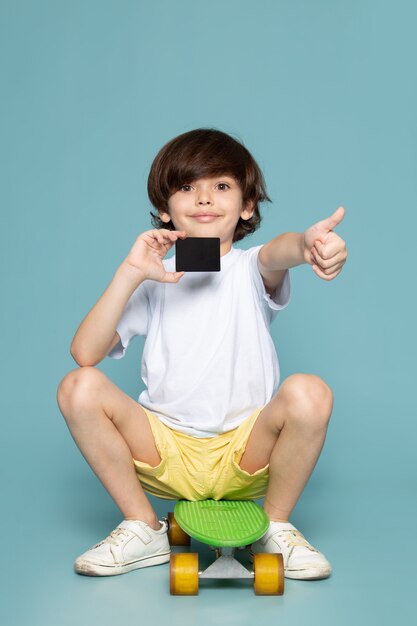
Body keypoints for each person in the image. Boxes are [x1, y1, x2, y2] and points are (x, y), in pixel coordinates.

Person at [57, 128, 347, 580]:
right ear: (163, 209)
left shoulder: (250, 268)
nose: (205, 199)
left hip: (245, 452)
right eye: (188, 187)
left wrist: (307, 246)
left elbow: (280, 252)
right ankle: (141, 525)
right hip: (166, 450)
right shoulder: (153, 277)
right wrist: (130, 273)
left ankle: (274, 525)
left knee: (310, 392)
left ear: (246, 206)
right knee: (78, 387)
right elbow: (84, 353)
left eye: (222, 186)